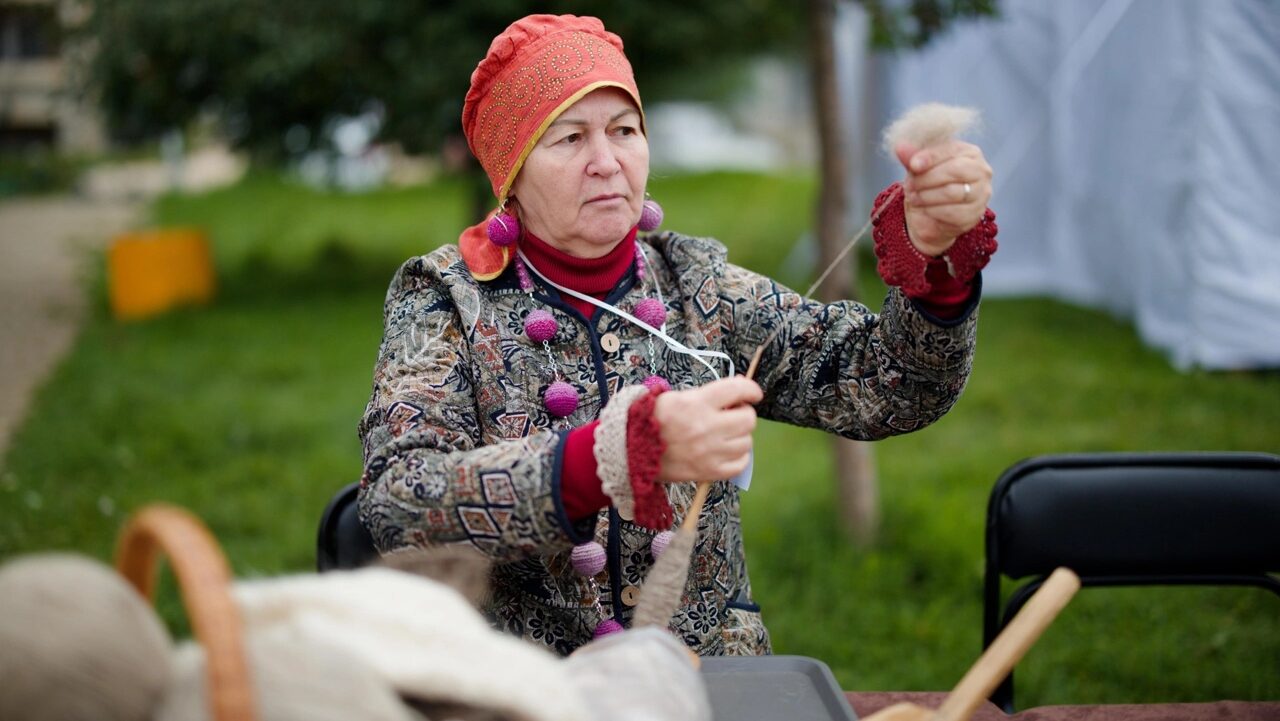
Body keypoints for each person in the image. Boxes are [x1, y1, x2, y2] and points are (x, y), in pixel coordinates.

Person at [358, 14, 997, 657]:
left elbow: (890, 384)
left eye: (625, 131)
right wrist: (610, 457)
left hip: (705, 674)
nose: (606, 163)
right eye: (569, 139)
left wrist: (935, 261)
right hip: (527, 684)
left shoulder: (695, 281)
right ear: (512, 177)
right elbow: (397, 505)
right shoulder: (448, 298)